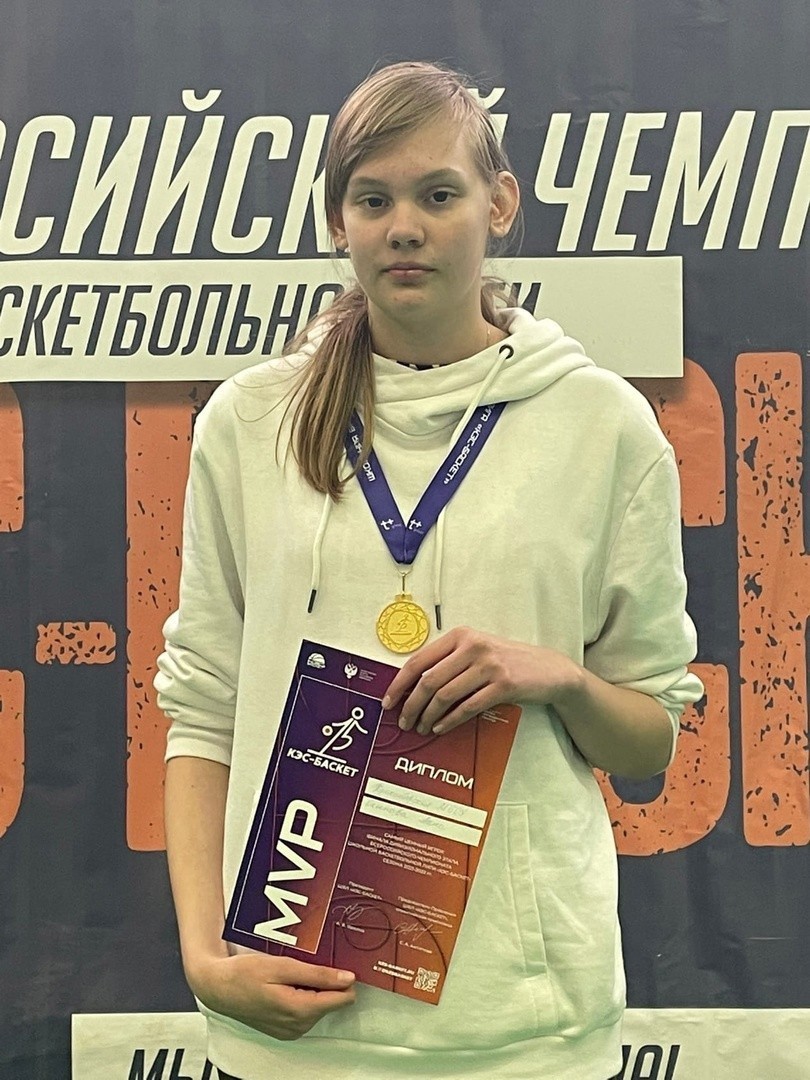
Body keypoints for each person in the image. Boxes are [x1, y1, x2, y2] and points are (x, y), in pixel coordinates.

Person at [155, 60, 704, 1080]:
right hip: (294, 1019)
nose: (404, 227)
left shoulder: (606, 428)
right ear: (338, 222)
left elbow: (649, 740)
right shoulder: (247, 423)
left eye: (438, 195)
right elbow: (202, 712)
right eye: (373, 200)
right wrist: (204, 959)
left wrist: (560, 678)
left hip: (527, 1035)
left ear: (499, 204)